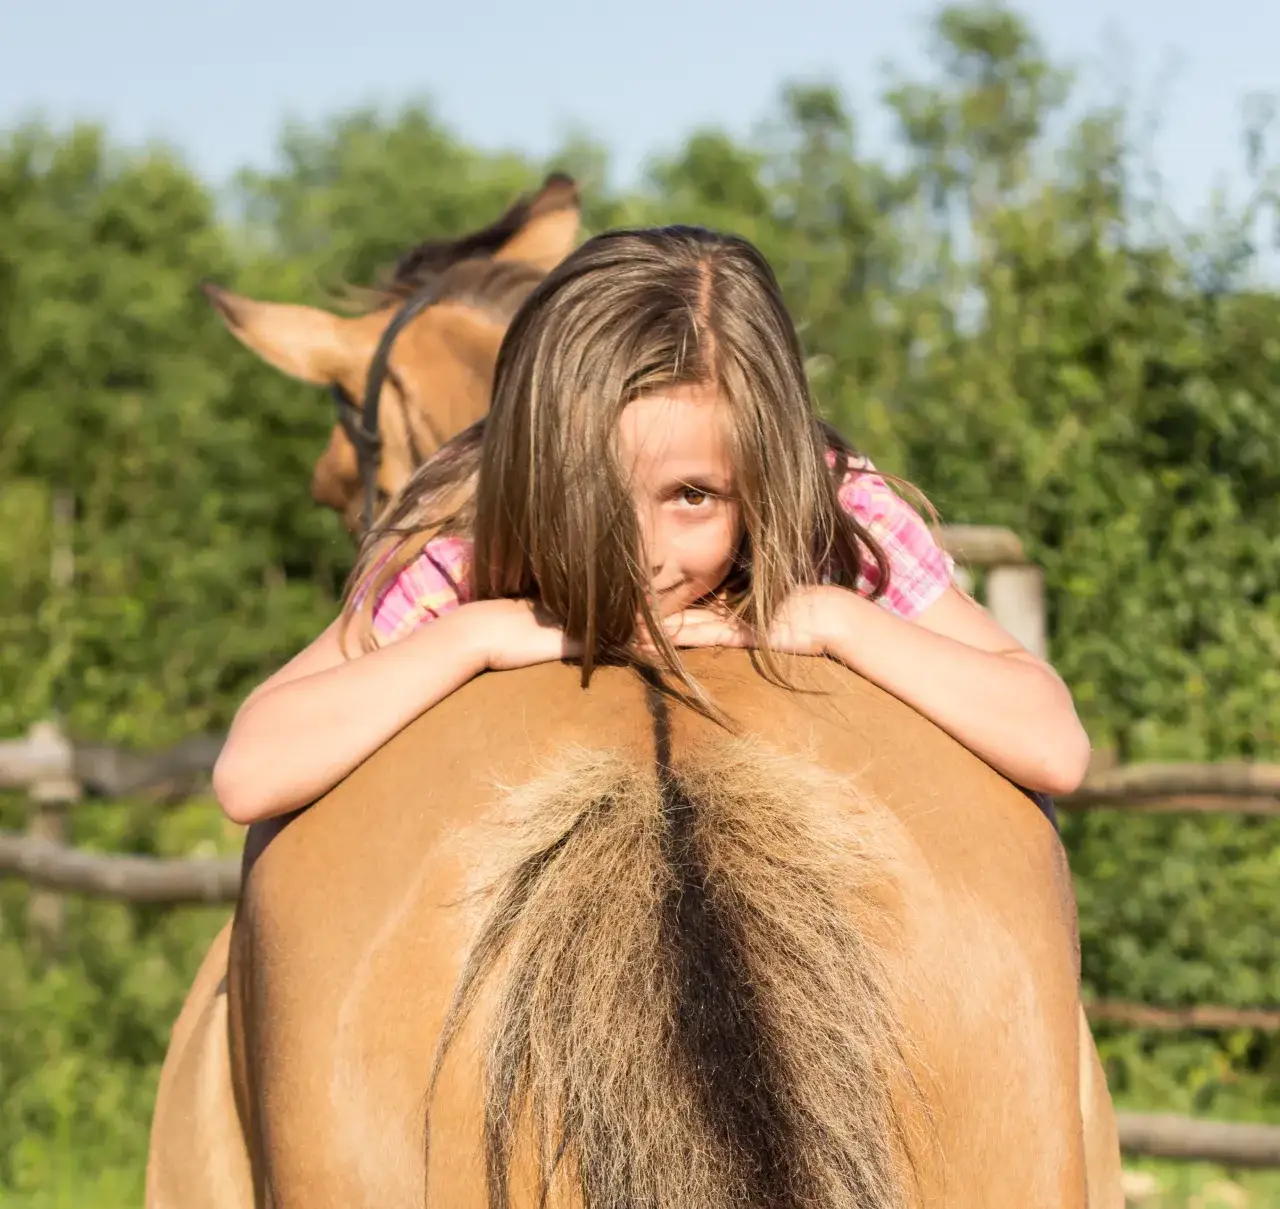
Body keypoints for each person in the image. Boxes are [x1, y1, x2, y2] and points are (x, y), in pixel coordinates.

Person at [212, 225, 1090, 828]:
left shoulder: (828, 507)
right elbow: (252, 769)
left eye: (695, 497)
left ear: (766, 474)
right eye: (590, 486)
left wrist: (835, 618)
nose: (637, 557)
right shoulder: (468, 535)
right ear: (532, 460)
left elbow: (1051, 739)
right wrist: (477, 633)